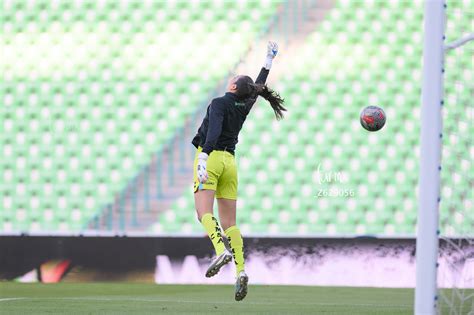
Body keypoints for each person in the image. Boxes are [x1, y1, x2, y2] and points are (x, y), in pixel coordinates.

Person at [191, 41, 286, 301]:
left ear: (233, 87)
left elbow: (212, 132)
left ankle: (220, 249)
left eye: (233, 79)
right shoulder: (243, 106)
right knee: (231, 223)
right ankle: (241, 271)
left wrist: (203, 158)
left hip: (210, 158)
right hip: (231, 163)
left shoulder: (219, 103)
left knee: (203, 213)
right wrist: (268, 61)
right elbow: (258, 87)